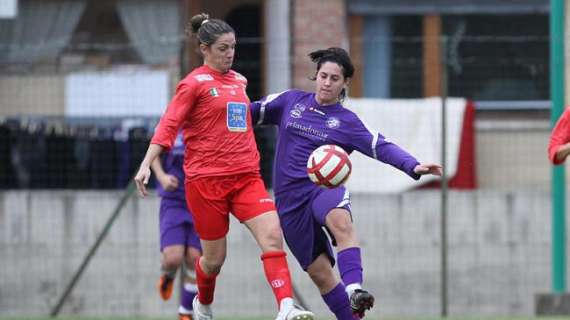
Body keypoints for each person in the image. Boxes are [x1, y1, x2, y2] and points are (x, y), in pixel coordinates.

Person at [133, 13, 314, 320]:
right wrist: (147, 163)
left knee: (272, 234)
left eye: (233, 47)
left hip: (246, 177)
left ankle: (286, 307)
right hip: (206, 183)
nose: (230, 53)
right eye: (222, 48)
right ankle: (201, 304)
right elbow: (169, 123)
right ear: (204, 48)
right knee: (213, 261)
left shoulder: (240, 81)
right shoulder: (192, 84)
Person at [250, 47, 443, 319]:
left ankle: (355, 289)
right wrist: (215, 113)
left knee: (341, 221)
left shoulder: (347, 122)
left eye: (334, 78)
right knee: (321, 275)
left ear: (344, 83)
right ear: (316, 76)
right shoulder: (290, 101)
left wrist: (412, 165)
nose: (327, 83)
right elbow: (249, 113)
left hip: (322, 189)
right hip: (289, 200)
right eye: (323, 76)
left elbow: (380, 146)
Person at [153, 133, 201, 320]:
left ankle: (185, 312)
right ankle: (168, 275)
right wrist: (162, 176)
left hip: (198, 200)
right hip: (173, 200)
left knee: (195, 259)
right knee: (173, 258)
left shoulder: (205, 119)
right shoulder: (172, 122)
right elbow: (154, 150)